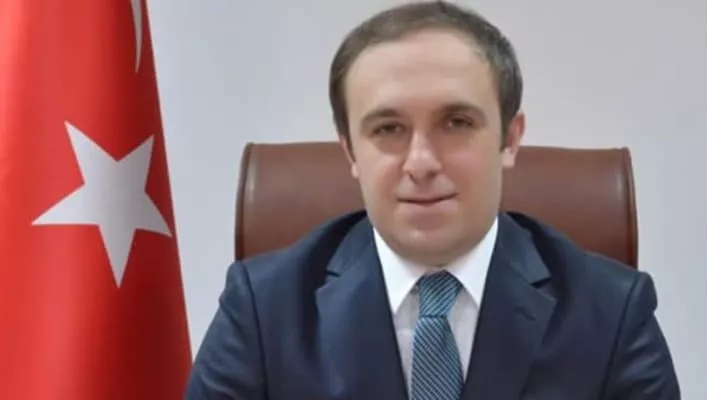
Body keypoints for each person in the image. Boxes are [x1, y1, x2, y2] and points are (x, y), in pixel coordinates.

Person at [185, 1, 680, 399]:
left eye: (456, 123)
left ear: (510, 139)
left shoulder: (611, 314)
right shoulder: (263, 310)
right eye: (389, 129)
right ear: (350, 150)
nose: (420, 162)